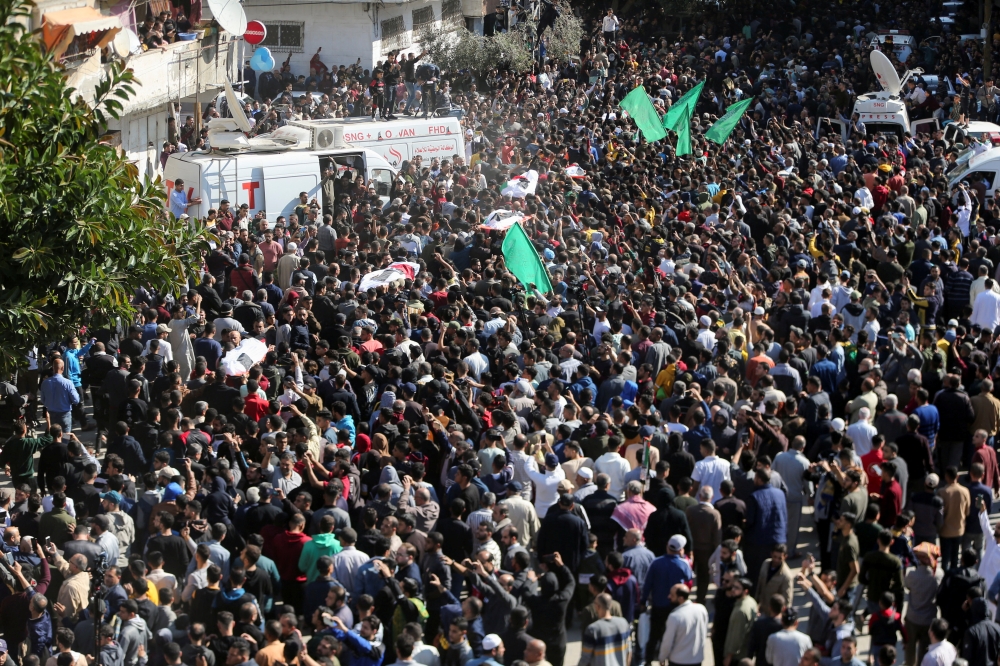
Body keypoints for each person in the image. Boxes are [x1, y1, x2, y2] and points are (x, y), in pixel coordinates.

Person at [657, 584, 707, 666]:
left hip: (678, 661)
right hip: (697, 660)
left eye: (672, 595)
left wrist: (662, 657)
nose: (669, 597)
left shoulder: (675, 616)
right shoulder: (701, 609)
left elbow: (667, 641)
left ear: (681, 598)